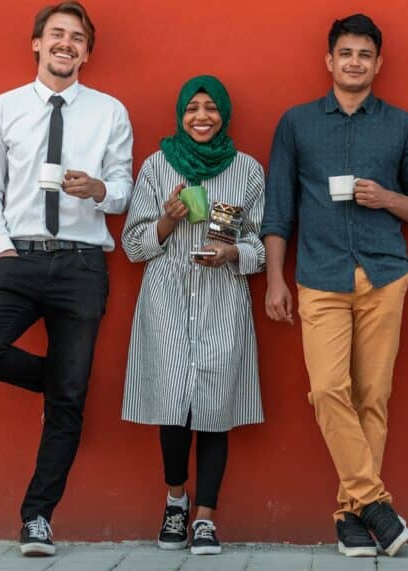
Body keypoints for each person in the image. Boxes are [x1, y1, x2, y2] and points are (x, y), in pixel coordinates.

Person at [0, 0, 133, 556]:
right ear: (36, 43)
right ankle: (54, 380)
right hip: (21, 257)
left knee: (70, 400)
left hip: (82, 263)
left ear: (87, 52)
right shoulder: (5, 108)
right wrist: (2, 250)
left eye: (77, 38)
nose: (66, 44)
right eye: (57, 34)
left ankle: (37, 517)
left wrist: (97, 190)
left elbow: (124, 190)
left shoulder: (109, 112)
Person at [261, 13, 408, 557]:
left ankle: (351, 518)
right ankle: (376, 504)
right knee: (327, 389)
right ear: (329, 60)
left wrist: (384, 198)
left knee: (374, 397)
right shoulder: (296, 124)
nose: (355, 62)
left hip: (385, 274)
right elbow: (278, 210)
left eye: (365, 54)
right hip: (318, 276)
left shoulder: (402, 126)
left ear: (378, 63)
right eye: (346, 53)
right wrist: (275, 279)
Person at [121, 75, 265, 556]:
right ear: (180, 114)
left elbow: (261, 246)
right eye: (192, 109)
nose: (201, 117)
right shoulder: (156, 166)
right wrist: (168, 220)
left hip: (222, 298)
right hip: (166, 298)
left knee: (215, 407)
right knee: (173, 403)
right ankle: (175, 501)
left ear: (224, 114)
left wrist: (233, 255)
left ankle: (206, 518)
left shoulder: (246, 171)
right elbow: (133, 246)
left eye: (211, 108)